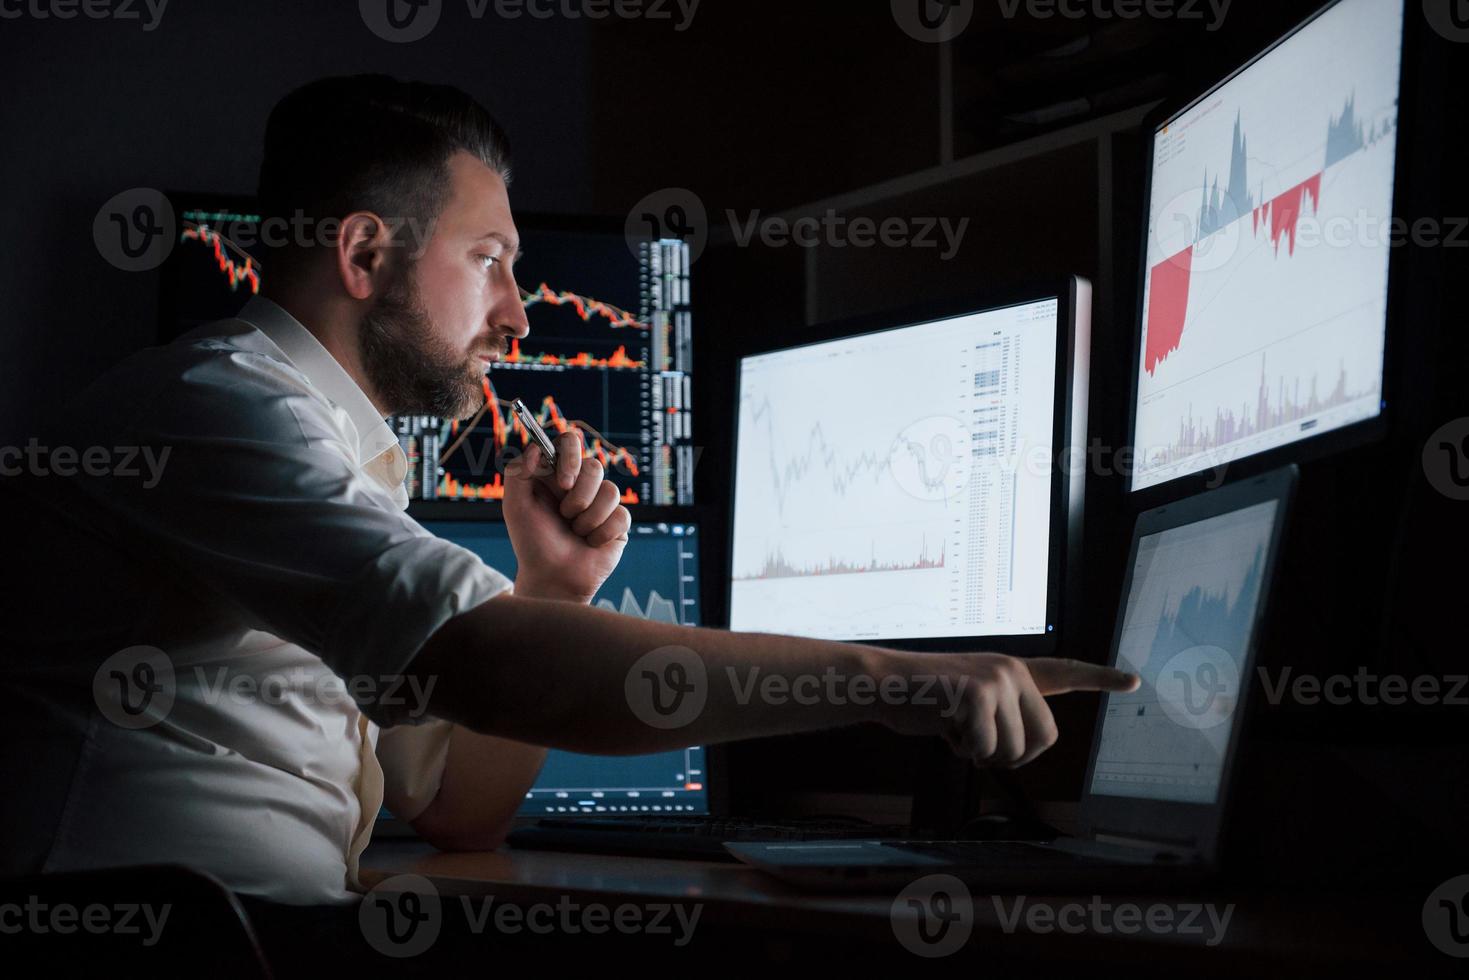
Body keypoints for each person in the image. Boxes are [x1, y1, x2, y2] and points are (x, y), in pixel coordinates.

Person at [0, 75, 1137, 933]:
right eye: (489, 258)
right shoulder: (215, 409)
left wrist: (551, 587)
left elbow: (453, 807)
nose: (518, 314)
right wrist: (898, 680)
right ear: (362, 253)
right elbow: (491, 667)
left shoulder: (340, 459)